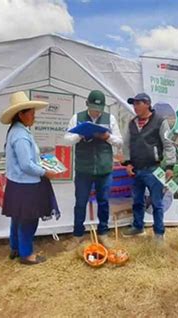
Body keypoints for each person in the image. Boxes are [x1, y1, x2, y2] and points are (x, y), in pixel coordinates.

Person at [0, 91, 60, 265]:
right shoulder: (20, 135)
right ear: (21, 114)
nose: (34, 117)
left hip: (18, 183)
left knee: (18, 218)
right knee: (28, 220)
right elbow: (26, 165)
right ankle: (26, 255)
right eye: (32, 113)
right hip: (26, 185)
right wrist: (45, 172)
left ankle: (16, 248)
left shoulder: (17, 131)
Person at [63, 90, 123, 249]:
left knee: (103, 202)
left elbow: (119, 141)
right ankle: (77, 235)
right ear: (86, 104)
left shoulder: (110, 118)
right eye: (93, 108)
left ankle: (103, 233)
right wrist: (80, 135)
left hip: (104, 169)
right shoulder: (77, 117)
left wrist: (107, 137)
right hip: (84, 169)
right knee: (80, 203)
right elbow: (67, 139)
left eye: (99, 108)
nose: (96, 111)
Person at [121, 93, 176, 241]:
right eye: (134, 104)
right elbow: (126, 145)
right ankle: (138, 227)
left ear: (147, 104)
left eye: (138, 103)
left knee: (157, 203)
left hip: (153, 169)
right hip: (136, 169)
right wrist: (127, 163)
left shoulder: (160, 122)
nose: (135, 106)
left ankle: (159, 233)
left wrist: (170, 166)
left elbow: (168, 144)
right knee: (137, 200)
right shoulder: (132, 123)